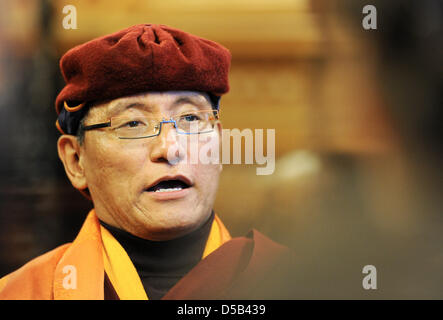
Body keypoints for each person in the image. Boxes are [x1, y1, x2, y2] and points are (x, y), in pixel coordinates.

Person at [0, 24, 294, 300]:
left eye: (190, 118)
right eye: (132, 124)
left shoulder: (295, 280)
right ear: (76, 161)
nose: (170, 148)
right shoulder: (22, 292)